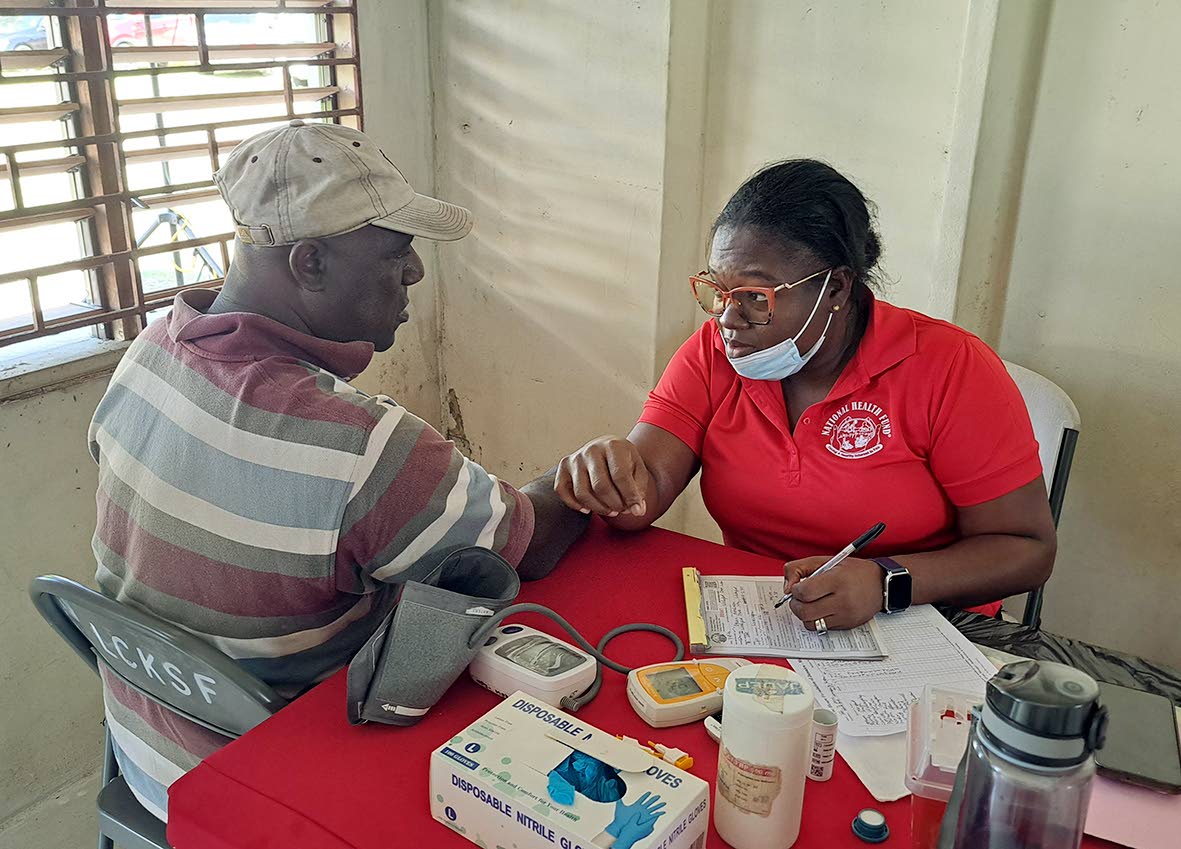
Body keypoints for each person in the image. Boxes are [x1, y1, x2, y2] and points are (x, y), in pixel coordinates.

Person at [87, 120, 586, 820]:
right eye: (396, 251)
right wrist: (576, 477)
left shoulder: (149, 354)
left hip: (146, 746)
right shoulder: (360, 445)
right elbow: (529, 543)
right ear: (310, 263)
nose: (414, 272)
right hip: (265, 786)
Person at [555, 159, 1055, 633]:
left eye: (756, 297)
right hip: (763, 620)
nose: (727, 319)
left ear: (836, 288)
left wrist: (885, 582)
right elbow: (643, 493)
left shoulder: (949, 367)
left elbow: (1026, 551)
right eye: (717, 291)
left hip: (921, 621)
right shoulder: (715, 353)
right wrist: (609, 472)